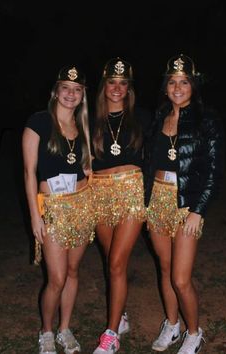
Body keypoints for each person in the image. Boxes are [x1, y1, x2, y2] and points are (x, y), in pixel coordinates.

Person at [144, 54, 224, 353]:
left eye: (184, 82)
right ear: (165, 87)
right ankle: (172, 324)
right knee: (165, 269)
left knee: (180, 277)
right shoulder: (159, 117)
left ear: (194, 85)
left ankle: (194, 331)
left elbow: (215, 173)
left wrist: (198, 211)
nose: (178, 87)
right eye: (172, 82)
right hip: (158, 201)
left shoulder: (208, 120)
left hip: (186, 205)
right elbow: (149, 162)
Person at [22, 65, 96, 354]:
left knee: (74, 271)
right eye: (66, 87)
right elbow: (29, 173)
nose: (71, 94)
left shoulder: (83, 128)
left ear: (83, 96)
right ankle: (47, 331)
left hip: (81, 205)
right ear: (56, 91)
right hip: (52, 208)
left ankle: (65, 328)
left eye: (77, 90)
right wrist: (34, 216)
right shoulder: (39, 122)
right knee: (57, 277)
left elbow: (86, 169)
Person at [90, 57, 152, 353]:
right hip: (99, 191)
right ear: (105, 86)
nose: (117, 88)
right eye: (112, 83)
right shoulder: (89, 119)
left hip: (131, 190)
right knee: (111, 260)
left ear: (129, 88)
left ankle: (111, 334)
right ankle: (121, 315)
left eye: (123, 83)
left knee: (116, 262)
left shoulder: (143, 116)